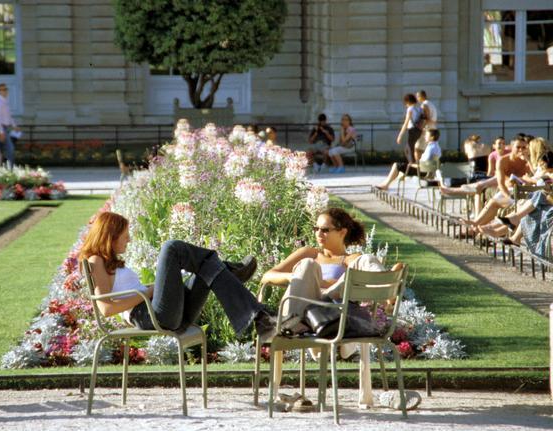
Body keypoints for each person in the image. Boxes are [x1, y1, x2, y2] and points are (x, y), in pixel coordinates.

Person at [261, 207, 405, 410]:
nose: (319, 234)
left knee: (365, 260)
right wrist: (299, 279)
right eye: (316, 228)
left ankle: (387, 291)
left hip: (334, 316)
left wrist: (333, 285)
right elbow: (268, 275)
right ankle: (288, 324)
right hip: (306, 314)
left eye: (325, 229)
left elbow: (352, 276)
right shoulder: (309, 254)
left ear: (342, 232)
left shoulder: (350, 259)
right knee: (307, 266)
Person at [79, 212, 276, 342]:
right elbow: (105, 308)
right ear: (110, 236)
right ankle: (230, 271)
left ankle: (259, 318)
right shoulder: (96, 260)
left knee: (207, 270)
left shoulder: (110, 262)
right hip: (151, 316)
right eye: (125, 234)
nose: (129, 239)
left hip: (167, 314)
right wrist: (148, 292)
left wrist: (152, 288)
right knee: (171, 247)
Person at [461, 136, 530, 230]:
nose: (521, 150)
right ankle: (476, 225)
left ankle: (476, 228)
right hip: (509, 190)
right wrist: (508, 196)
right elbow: (500, 183)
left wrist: (528, 161)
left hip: (525, 192)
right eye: (518, 147)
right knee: (493, 200)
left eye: (523, 147)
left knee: (485, 192)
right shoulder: (503, 160)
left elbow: (536, 176)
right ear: (511, 147)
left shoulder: (528, 161)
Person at [376, 129, 442, 191]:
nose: (425, 136)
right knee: (400, 166)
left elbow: (423, 164)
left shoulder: (431, 148)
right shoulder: (436, 146)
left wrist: (413, 165)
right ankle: (386, 184)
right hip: (426, 171)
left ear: (432, 137)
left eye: (426, 135)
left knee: (397, 165)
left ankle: (386, 185)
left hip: (422, 171)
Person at [0, 83, 19, 168]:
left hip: (4, 128)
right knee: (9, 148)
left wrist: (14, 126)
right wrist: (1, 132)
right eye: (3, 89)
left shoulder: (5, 101)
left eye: (6, 89)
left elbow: (8, 116)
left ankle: (0, 168)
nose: (5, 91)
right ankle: (10, 168)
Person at [396, 94, 423, 163]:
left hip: (413, 130)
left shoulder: (410, 109)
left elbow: (406, 123)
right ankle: (414, 165)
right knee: (411, 149)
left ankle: (412, 167)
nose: (405, 105)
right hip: (419, 130)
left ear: (408, 101)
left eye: (405, 103)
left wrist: (400, 136)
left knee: (409, 150)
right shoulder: (419, 109)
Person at [414, 90, 438, 162]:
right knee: (428, 148)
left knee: (417, 148)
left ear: (421, 96)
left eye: (417, 96)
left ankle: (419, 167)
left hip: (427, 129)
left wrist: (420, 127)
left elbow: (426, 118)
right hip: (432, 128)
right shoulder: (431, 104)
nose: (417, 98)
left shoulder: (424, 105)